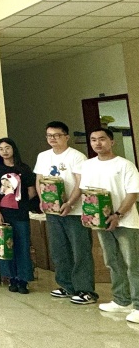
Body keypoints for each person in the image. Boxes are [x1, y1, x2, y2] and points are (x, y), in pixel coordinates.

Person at [80, 127, 139, 323]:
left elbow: (133, 193)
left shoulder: (125, 165)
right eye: (93, 139)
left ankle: (138, 304)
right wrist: (89, 216)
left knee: (133, 264)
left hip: (126, 222)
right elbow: (88, 193)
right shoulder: (87, 166)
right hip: (102, 222)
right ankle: (122, 300)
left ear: (112, 142)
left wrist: (118, 215)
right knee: (112, 262)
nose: (98, 143)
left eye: (102, 139)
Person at [33, 120, 96, 305]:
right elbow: (39, 180)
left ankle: (85, 290)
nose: (52, 138)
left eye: (57, 135)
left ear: (66, 137)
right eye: (49, 135)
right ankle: (67, 286)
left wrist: (69, 203)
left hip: (74, 212)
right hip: (53, 212)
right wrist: (43, 201)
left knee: (80, 251)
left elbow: (80, 183)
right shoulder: (43, 156)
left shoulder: (76, 156)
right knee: (59, 250)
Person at [0, 138, 36, 294]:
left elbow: (32, 191)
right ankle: (11, 278)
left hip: (20, 213)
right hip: (3, 213)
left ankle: (23, 279)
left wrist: (20, 201)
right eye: (1, 149)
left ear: (13, 149)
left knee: (23, 245)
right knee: (6, 246)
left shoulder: (24, 168)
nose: (4, 151)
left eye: (7, 148)